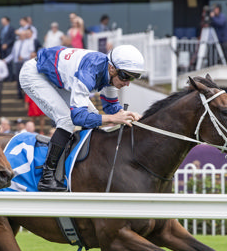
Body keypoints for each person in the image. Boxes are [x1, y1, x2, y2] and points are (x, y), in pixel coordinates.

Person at [19, 44, 144, 191]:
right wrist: (112, 119)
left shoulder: (110, 73)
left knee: (94, 116)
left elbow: (112, 108)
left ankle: (84, 166)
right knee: (66, 120)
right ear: (111, 68)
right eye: (125, 76)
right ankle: (47, 177)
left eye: (133, 78)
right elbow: (78, 117)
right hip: (35, 75)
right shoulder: (90, 72)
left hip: (57, 78)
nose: (127, 83)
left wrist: (129, 116)